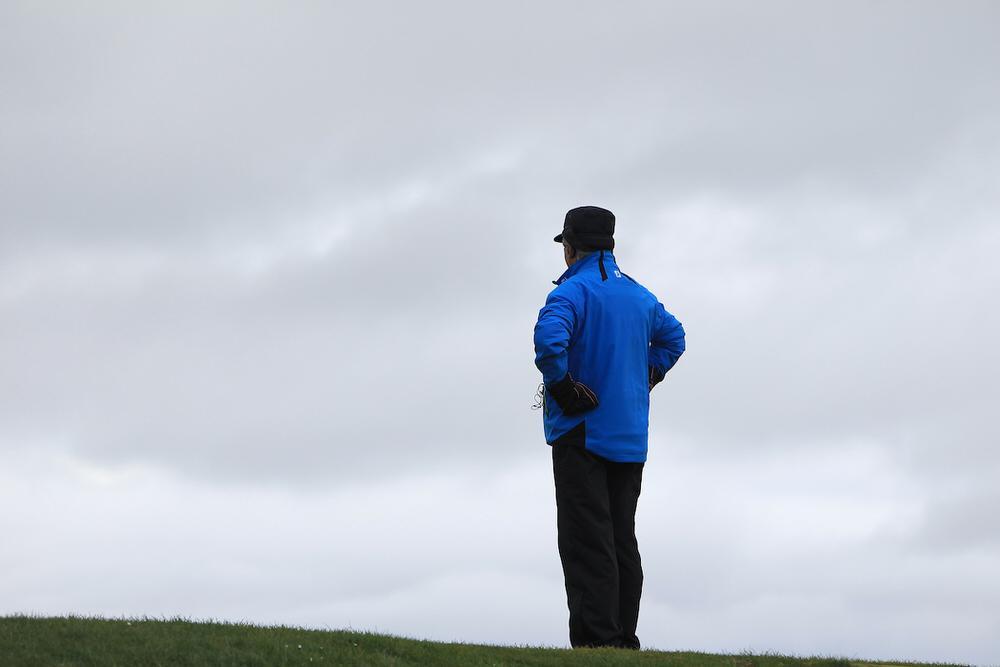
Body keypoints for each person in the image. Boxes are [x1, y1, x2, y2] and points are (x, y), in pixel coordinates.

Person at [533, 206, 685, 649]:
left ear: (570, 247)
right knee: (621, 538)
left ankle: (596, 643)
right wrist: (647, 375)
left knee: (587, 540)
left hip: (582, 433)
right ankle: (623, 640)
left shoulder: (572, 293)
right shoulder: (640, 296)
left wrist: (561, 386)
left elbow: (548, 341)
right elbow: (674, 337)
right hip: (631, 436)